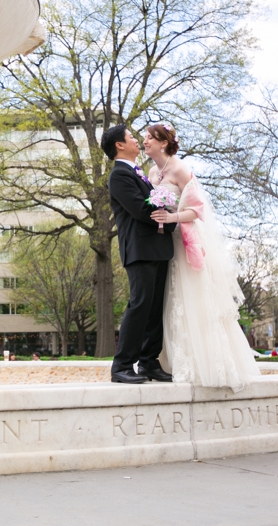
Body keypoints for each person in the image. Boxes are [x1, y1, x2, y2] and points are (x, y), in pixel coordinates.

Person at [143, 124, 261, 392]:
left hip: (183, 243)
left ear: (163, 143)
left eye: (150, 138)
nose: (145, 141)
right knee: (167, 302)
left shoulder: (180, 169)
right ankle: (168, 363)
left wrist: (171, 216)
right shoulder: (151, 172)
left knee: (192, 299)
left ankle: (206, 364)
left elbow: (197, 211)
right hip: (162, 245)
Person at [101, 125, 177, 384]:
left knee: (155, 308)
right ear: (119, 145)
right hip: (140, 249)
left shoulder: (139, 173)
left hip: (158, 247)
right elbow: (140, 210)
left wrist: (169, 216)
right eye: (132, 137)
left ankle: (148, 362)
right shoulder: (119, 175)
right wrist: (171, 220)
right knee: (140, 304)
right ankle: (121, 365)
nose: (137, 140)